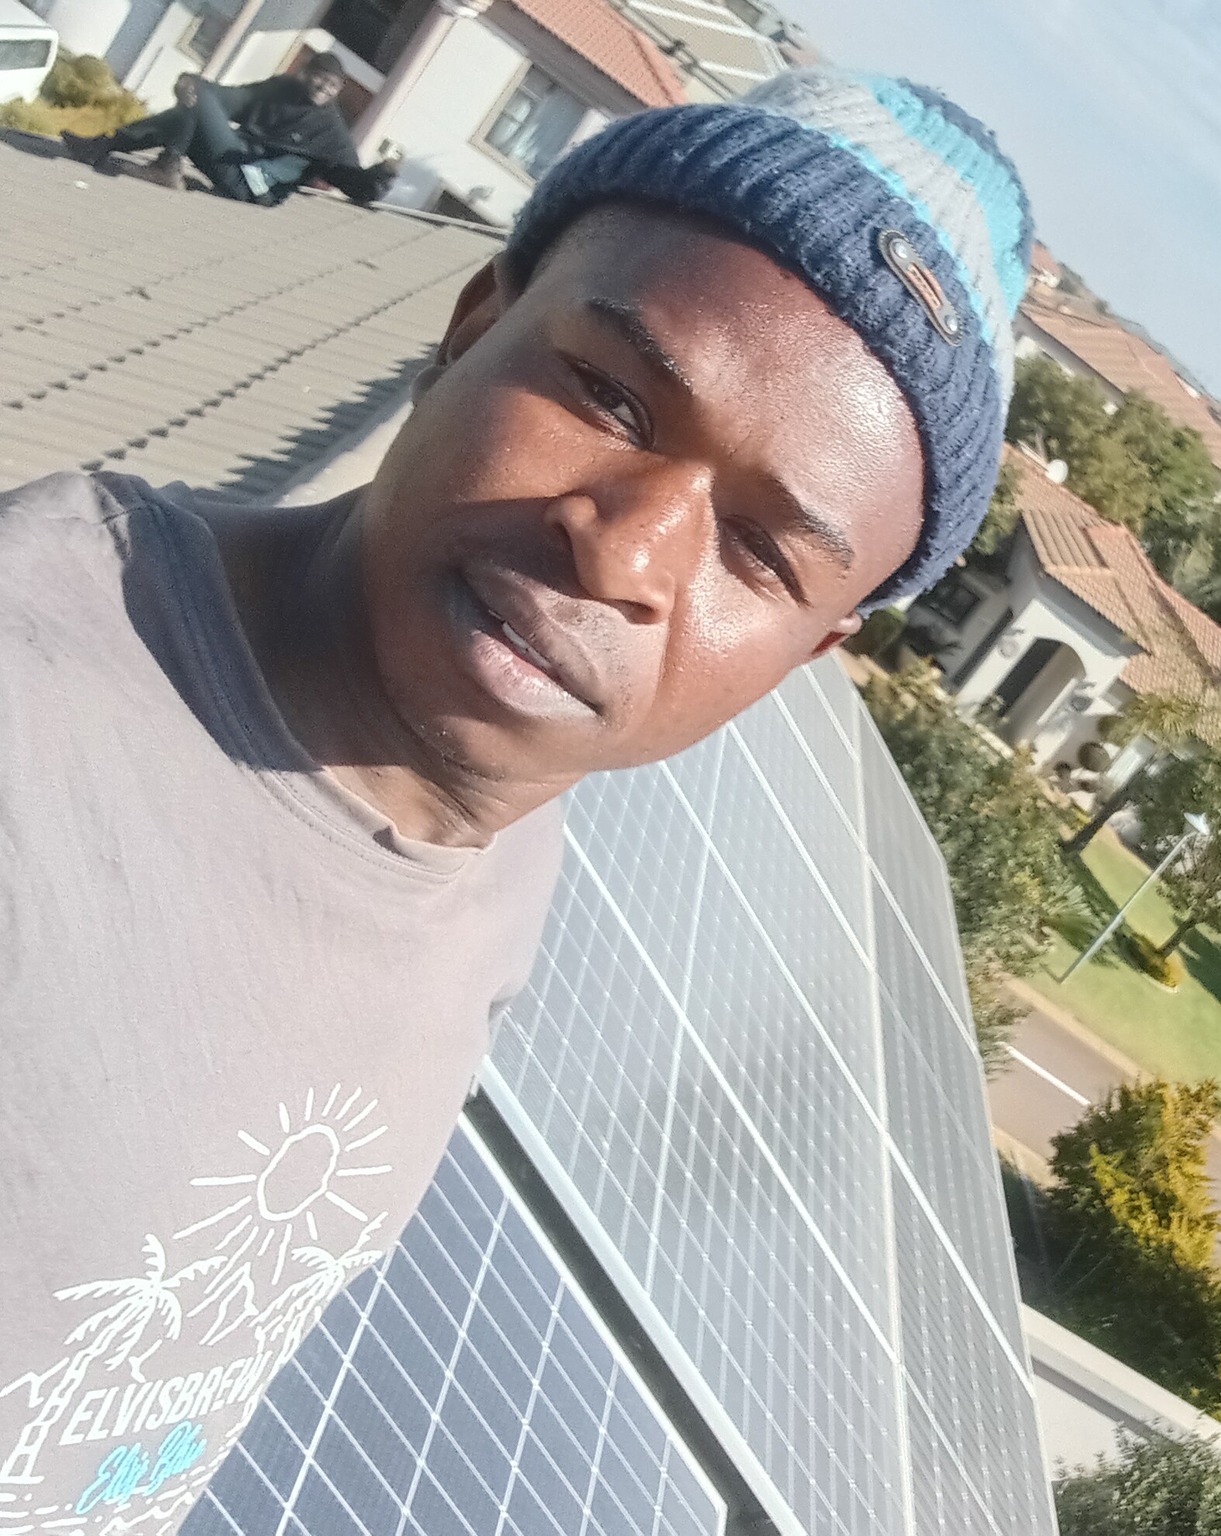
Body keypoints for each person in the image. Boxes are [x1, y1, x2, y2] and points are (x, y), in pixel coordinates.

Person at [0, 68, 1031, 1533]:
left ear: (809, 654)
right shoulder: (34, 713)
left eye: (758, 553)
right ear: (470, 325)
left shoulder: (506, 854)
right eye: (611, 397)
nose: (626, 552)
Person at [60, 52, 393, 203]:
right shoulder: (279, 88)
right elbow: (229, 98)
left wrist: (383, 176)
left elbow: (356, 183)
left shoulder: (331, 132)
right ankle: (101, 147)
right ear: (305, 74)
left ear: (338, 90)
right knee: (190, 105)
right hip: (228, 160)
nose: (323, 87)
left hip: (253, 185)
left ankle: (166, 168)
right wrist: (189, 83)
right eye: (320, 78)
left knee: (196, 101)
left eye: (332, 85)